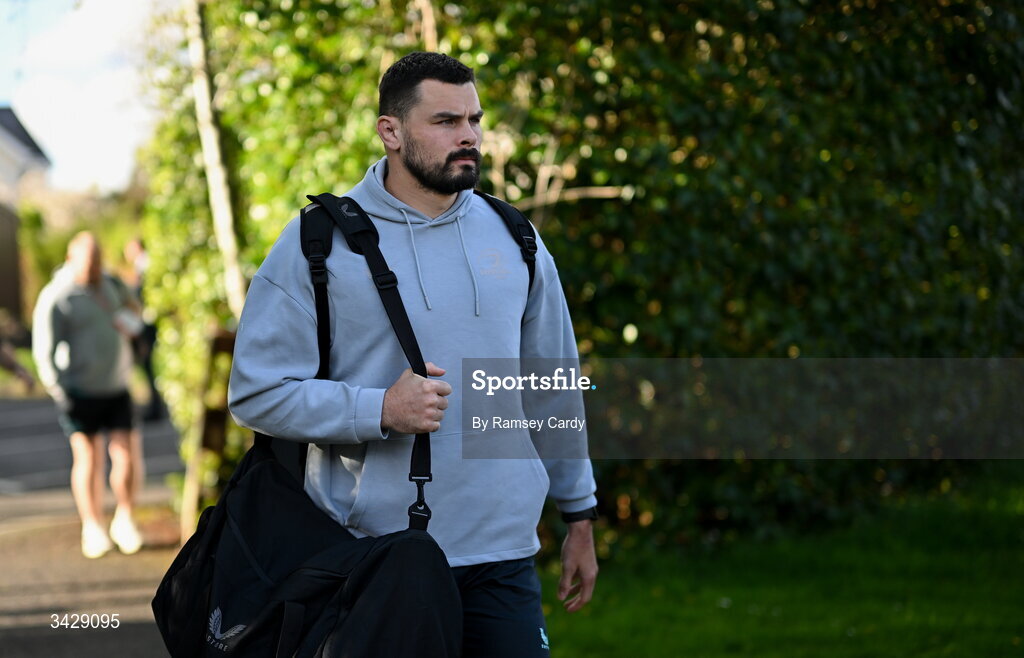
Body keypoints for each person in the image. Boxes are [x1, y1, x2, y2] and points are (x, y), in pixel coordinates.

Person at [229, 52, 598, 656]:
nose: (470, 137)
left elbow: (551, 388)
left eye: (475, 120)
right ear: (391, 131)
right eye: (447, 121)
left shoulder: (518, 239)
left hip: (503, 553)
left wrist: (578, 512)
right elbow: (257, 392)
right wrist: (379, 410)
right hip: (376, 552)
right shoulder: (319, 245)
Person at [32, 231, 145, 559]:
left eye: (98, 264)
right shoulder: (57, 296)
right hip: (79, 391)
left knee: (125, 453)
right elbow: (44, 349)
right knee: (89, 457)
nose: (94, 271)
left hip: (117, 385)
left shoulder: (111, 284)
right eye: (88, 266)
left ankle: (124, 518)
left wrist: (132, 321)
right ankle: (92, 526)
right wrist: (58, 388)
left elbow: (135, 310)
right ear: (70, 261)